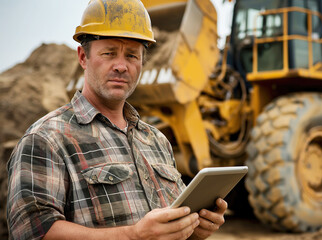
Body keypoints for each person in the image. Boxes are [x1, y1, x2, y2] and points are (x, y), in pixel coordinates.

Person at [7, 0, 227, 239]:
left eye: (132, 55)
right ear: (83, 57)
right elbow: (32, 232)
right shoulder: (46, 139)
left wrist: (193, 227)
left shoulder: (157, 141)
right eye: (109, 53)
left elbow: (167, 227)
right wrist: (133, 235)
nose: (122, 66)